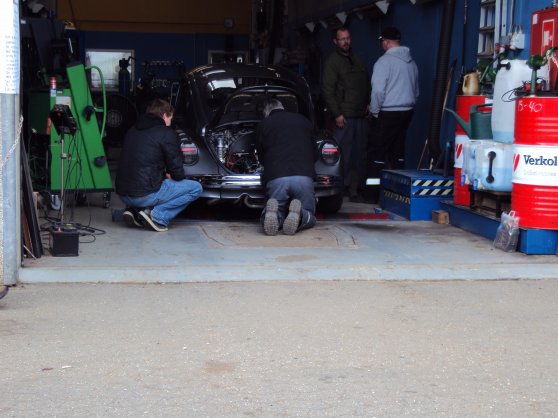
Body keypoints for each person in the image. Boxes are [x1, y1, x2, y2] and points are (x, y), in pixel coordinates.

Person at [115, 99, 202, 232]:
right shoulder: (166, 133)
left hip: (123, 194)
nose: (170, 122)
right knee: (195, 188)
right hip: (143, 196)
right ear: (165, 115)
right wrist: (172, 176)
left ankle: (135, 210)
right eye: (170, 118)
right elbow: (177, 171)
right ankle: (158, 216)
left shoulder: (132, 130)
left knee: (154, 182)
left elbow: (142, 161)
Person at [322, 26, 371, 202]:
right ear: (335, 41)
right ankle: (341, 188)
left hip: (361, 116)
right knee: (344, 155)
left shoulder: (357, 59)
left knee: (361, 155)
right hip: (344, 118)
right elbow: (328, 90)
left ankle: (358, 189)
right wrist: (337, 114)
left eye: (348, 38)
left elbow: (367, 84)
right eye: (342, 39)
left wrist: (368, 103)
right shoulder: (332, 62)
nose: (346, 42)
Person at [256, 99, 318, 236]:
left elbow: (260, 155)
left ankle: (272, 214)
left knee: (276, 206)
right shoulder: (304, 121)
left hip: (277, 177)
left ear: (266, 112)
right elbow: (315, 153)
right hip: (303, 176)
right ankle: (301, 214)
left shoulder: (264, 124)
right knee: (309, 212)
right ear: (282, 107)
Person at [369, 26, 419, 171]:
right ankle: (397, 184)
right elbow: (416, 91)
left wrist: (374, 111)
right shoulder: (412, 63)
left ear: (386, 42)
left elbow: (378, 91)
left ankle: (374, 185)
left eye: (382, 41)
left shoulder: (383, 62)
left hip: (387, 114)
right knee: (398, 152)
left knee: (376, 155)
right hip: (407, 113)